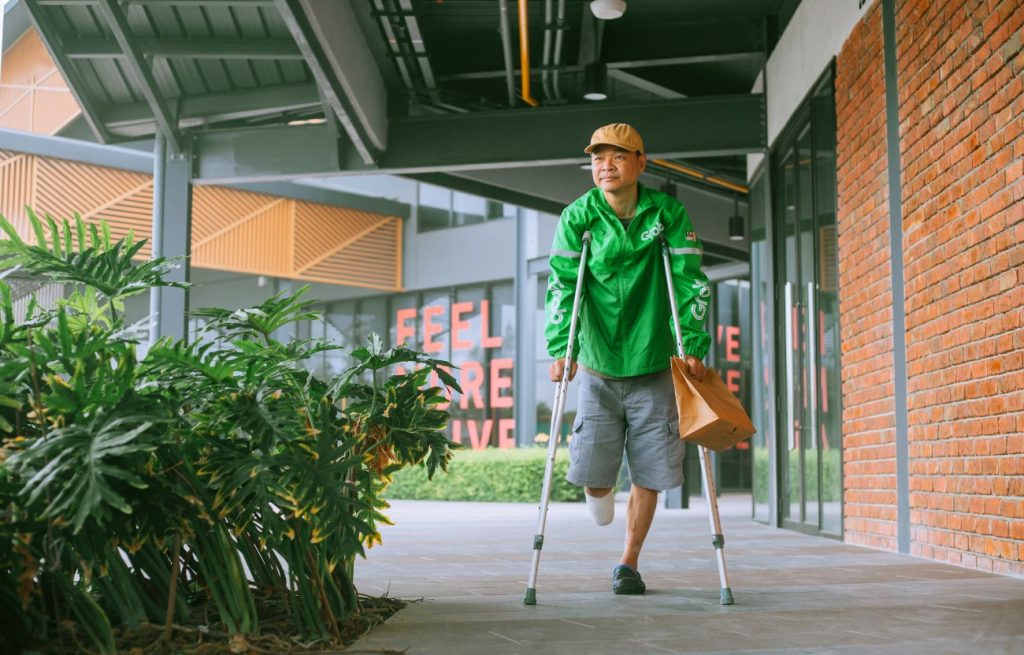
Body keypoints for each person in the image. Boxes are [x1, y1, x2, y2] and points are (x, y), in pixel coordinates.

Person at [545, 123, 710, 595]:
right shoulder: (579, 216)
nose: (606, 166)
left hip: (654, 359)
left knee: (651, 469)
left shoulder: (667, 213)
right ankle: (601, 497)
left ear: (641, 162)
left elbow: (690, 279)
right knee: (594, 480)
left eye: (618, 157)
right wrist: (563, 348)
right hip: (598, 362)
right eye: (598, 158)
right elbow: (560, 284)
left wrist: (691, 343)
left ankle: (628, 562)